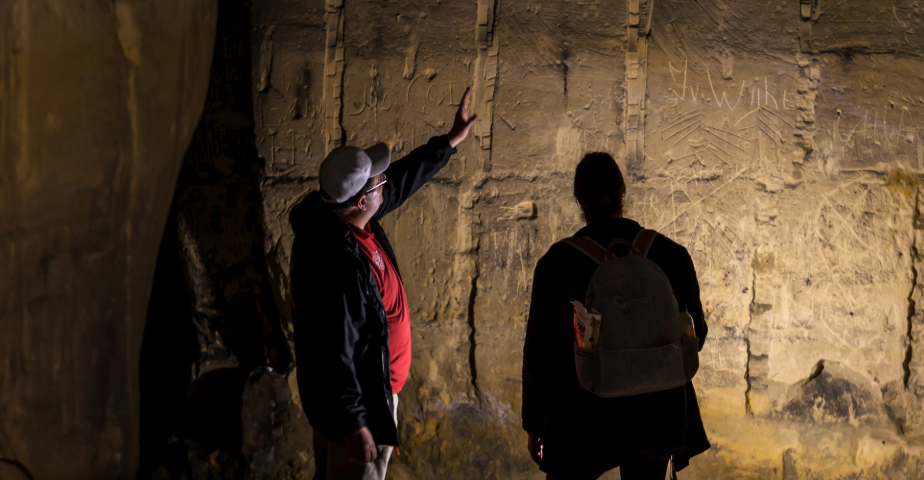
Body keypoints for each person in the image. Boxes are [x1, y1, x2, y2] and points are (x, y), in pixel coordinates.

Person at [289, 89, 477, 480]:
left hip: (364, 396)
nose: (384, 184)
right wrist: (355, 422)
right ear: (360, 201)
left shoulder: (343, 220)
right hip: (360, 403)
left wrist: (449, 142)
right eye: (377, 184)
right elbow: (336, 348)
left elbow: (402, 179)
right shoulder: (336, 264)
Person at [521, 152, 711, 480]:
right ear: (623, 194)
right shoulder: (671, 255)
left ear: (579, 199)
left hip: (582, 416)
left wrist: (536, 423)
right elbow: (697, 334)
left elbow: (541, 354)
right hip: (658, 414)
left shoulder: (556, 264)